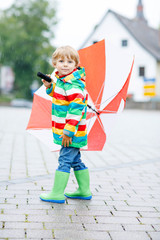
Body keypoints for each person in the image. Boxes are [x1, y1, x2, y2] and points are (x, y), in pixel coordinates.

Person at [40, 46, 92, 203]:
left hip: (70, 132)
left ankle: (57, 193)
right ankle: (84, 190)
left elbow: (76, 109)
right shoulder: (63, 82)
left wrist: (68, 131)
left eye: (70, 61)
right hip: (69, 130)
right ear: (54, 63)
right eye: (61, 61)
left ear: (76, 64)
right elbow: (60, 97)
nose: (65, 64)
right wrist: (50, 87)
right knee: (75, 160)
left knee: (64, 160)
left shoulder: (73, 84)